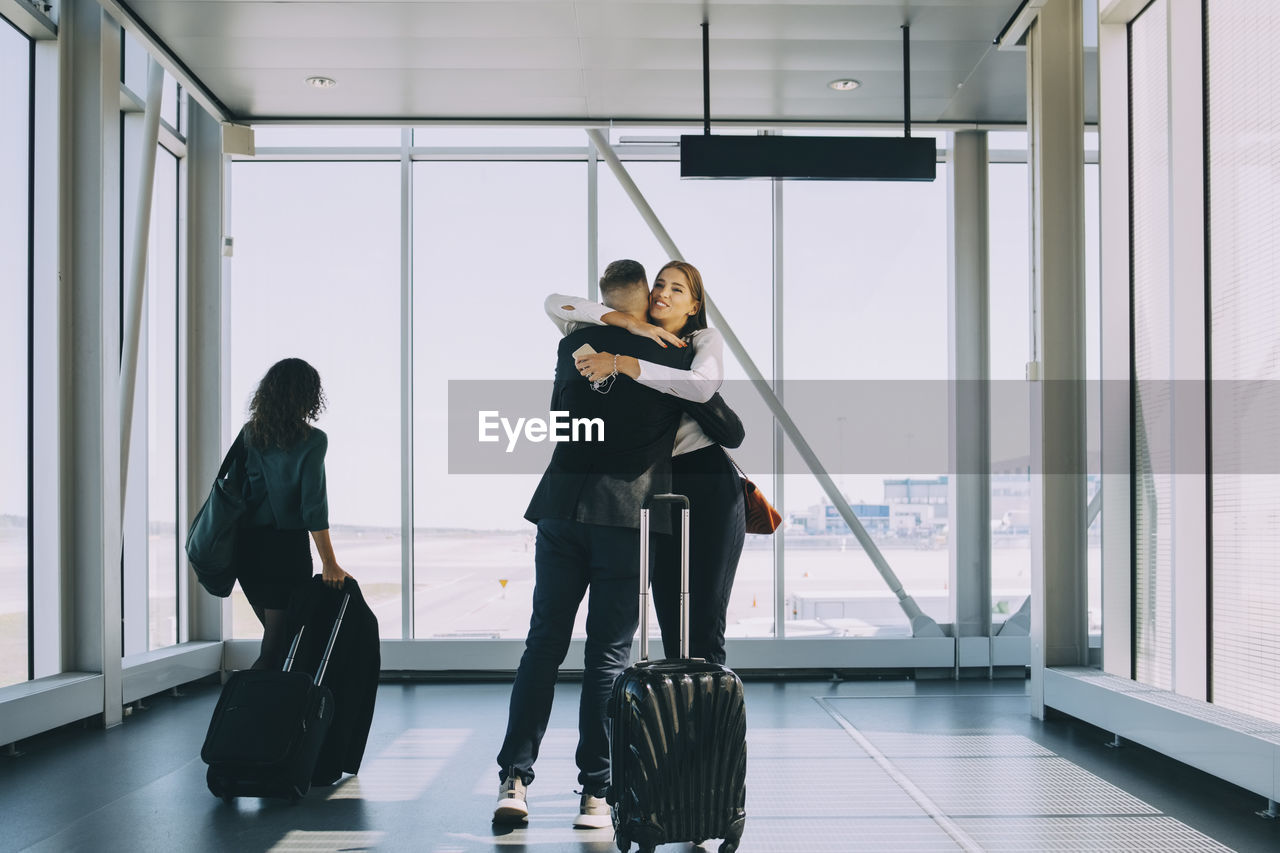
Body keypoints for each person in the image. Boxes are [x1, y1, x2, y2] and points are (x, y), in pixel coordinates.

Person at [493, 260, 696, 829]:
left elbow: (557, 304)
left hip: (560, 507)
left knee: (543, 645)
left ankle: (514, 779)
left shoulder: (573, 346)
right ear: (645, 304)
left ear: (605, 299)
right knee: (606, 658)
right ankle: (595, 794)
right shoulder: (674, 356)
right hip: (624, 519)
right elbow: (716, 410)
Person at [545, 260, 747, 665]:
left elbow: (705, 387)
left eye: (677, 289)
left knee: (703, 619)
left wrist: (626, 365)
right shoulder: (626, 337)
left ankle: (710, 725)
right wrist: (628, 324)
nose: (663, 293)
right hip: (656, 489)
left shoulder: (699, 341)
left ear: (693, 305)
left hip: (705, 483)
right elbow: (556, 304)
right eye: (659, 284)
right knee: (671, 616)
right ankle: (678, 724)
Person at [237, 357, 350, 671]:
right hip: (284, 551)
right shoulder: (312, 440)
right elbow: (312, 506)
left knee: (278, 640)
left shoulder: (250, 434)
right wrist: (329, 561)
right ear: (308, 395)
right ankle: (247, 714)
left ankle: (262, 712)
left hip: (246, 551)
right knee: (276, 648)